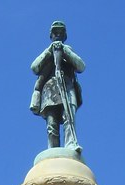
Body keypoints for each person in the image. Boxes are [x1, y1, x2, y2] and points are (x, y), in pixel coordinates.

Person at [30, 21, 85, 151]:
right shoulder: (47, 52)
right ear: (51, 36)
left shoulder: (68, 51)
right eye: (55, 32)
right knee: (52, 123)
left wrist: (65, 51)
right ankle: (53, 149)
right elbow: (34, 67)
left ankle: (71, 143)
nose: (58, 34)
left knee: (69, 117)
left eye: (61, 32)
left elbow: (81, 66)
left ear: (65, 36)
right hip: (50, 89)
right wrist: (49, 51)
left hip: (67, 86)